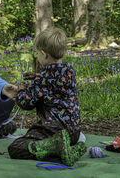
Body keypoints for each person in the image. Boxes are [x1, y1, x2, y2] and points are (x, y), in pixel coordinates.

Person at [8, 27, 86, 166]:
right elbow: (53, 82)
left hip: (52, 130)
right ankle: (71, 146)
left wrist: (21, 90)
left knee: (16, 147)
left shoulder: (41, 81)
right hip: (73, 130)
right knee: (71, 136)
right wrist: (37, 77)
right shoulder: (69, 72)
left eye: (37, 52)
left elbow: (26, 103)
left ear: (44, 54)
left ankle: (55, 149)